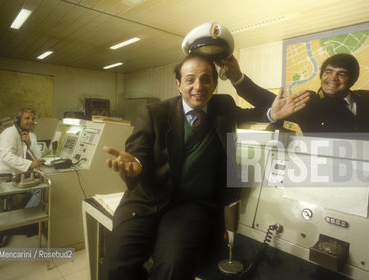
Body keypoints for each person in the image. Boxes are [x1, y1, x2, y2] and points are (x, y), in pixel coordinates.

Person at [101, 54, 272, 280]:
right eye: (190, 80)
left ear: (215, 84)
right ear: (178, 84)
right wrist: (137, 164)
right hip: (147, 200)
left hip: (190, 207)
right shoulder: (154, 113)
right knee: (116, 267)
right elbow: (138, 150)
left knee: (173, 267)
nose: (198, 87)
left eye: (205, 79)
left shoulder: (224, 108)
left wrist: (239, 79)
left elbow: (266, 109)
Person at [221, 53, 369, 142]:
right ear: (321, 76)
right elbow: (268, 100)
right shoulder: (311, 102)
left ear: (352, 79)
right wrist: (237, 78)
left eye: (341, 73)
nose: (332, 78)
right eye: (328, 72)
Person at [0, 108, 45, 208]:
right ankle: (26, 214)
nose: (30, 121)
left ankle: (26, 210)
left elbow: (38, 156)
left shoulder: (29, 135)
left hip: (16, 173)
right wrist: (30, 164)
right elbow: (6, 156)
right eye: (27, 118)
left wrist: (29, 143)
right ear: (18, 120)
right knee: (42, 188)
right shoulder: (9, 133)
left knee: (44, 182)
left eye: (33, 119)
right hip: (4, 175)